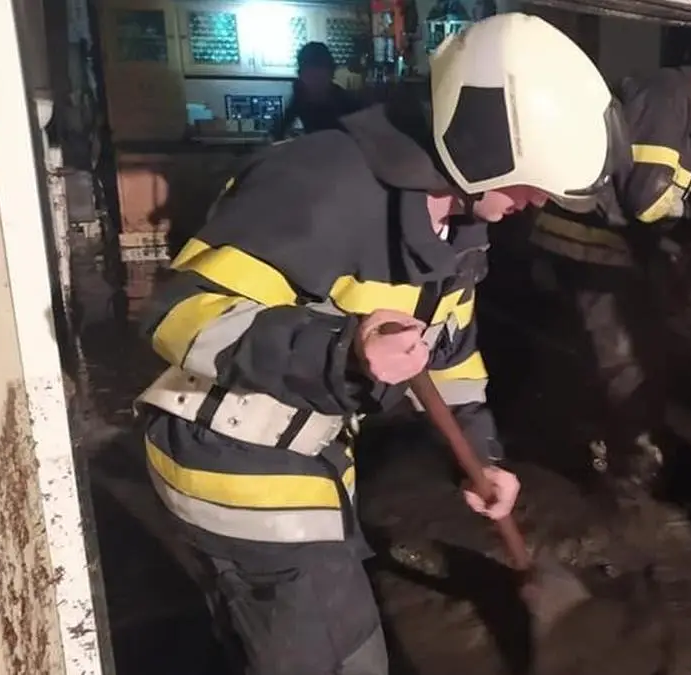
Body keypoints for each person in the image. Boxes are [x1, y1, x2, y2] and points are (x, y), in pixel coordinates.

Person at [134, 13, 628, 675]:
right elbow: (178, 314)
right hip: (232, 464)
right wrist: (340, 351)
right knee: (348, 659)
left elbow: (451, 359)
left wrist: (481, 460)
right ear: (483, 144)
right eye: (533, 180)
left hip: (306, 458)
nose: (536, 200)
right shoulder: (322, 182)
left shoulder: (460, 229)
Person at [527, 56, 691, 495]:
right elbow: (648, 198)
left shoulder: (685, 111)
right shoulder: (668, 100)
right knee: (620, 353)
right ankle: (627, 466)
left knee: (620, 347)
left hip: (607, 246)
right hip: (592, 243)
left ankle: (600, 437)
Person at [273, 41, 362, 139]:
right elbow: (279, 131)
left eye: (319, 77)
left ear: (330, 74)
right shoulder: (300, 97)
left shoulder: (347, 102)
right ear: (301, 75)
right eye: (309, 76)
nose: (315, 83)